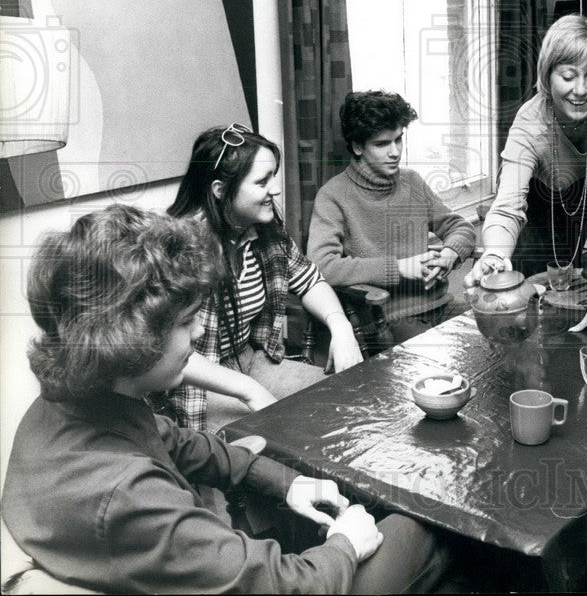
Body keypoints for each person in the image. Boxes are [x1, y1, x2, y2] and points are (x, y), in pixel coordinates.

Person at [1, 205, 446, 594]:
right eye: (188, 321)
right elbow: (290, 585)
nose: (199, 333)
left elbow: (181, 443)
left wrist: (287, 482)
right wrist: (346, 543)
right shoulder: (129, 498)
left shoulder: (71, 404)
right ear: (133, 341)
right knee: (428, 524)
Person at [160, 123, 364, 432]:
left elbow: (309, 280)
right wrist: (249, 390)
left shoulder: (263, 229)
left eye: (273, 177)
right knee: (278, 435)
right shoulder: (180, 246)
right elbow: (167, 352)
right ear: (220, 191)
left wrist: (341, 325)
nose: (275, 189)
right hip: (194, 380)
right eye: (262, 181)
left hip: (250, 358)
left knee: (343, 401)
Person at [466, 14, 587, 334]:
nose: (580, 90)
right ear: (548, 77)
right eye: (568, 76)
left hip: (582, 198)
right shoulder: (529, 122)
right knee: (529, 321)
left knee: (576, 304)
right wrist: (494, 254)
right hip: (534, 209)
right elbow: (507, 206)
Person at [307, 91, 477, 347]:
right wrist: (397, 268)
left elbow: (459, 226)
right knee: (442, 365)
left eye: (398, 139)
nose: (395, 152)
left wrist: (450, 254)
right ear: (357, 146)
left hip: (441, 306)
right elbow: (322, 266)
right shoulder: (332, 196)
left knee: (496, 331)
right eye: (382, 144)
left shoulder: (413, 182)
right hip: (388, 321)